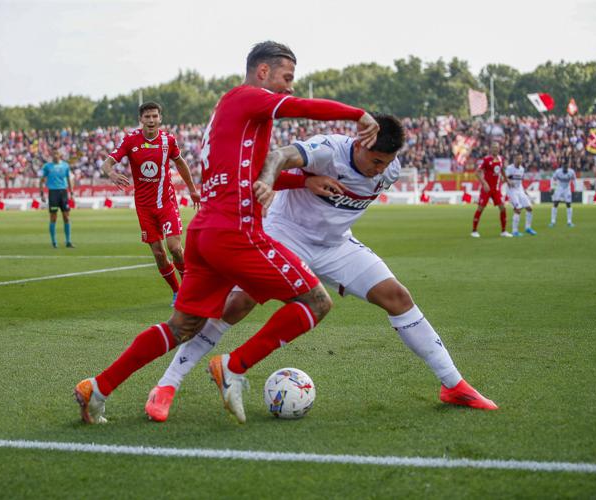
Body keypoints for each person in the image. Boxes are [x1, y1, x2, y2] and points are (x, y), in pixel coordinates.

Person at [74, 40, 380, 425]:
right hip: (236, 232)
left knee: (182, 325)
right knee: (316, 301)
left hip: (206, 233)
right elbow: (300, 108)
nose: (289, 87)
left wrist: (303, 182)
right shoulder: (247, 97)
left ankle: (96, 388)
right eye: (287, 77)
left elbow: (248, 175)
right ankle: (233, 366)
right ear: (263, 71)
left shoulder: (229, 113)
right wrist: (359, 115)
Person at [144, 123, 498, 422]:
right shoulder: (329, 149)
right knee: (238, 303)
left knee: (398, 297)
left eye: (385, 163)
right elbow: (278, 156)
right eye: (374, 160)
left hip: (335, 245)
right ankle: (167, 384)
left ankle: (453, 385)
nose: (379, 169)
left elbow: (363, 189)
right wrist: (295, 181)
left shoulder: (388, 169)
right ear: (359, 144)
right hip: (285, 233)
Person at [99, 101, 201, 304]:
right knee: (158, 253)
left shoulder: (168, 141)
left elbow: (180, 163)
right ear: (141, 119)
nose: (151, 120)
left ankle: (189, 288)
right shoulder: (130, 141)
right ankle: (177, 291)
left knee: (174, 247)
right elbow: (106, 163)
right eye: (147, 117)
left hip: (166, 203)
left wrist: (192, 189)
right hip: (144, 207)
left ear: (160, 118)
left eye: (155, 116)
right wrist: (111, 173)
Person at [471, 143, 511, 238]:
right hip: (487, 189)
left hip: (496, 189)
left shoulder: (500, 158)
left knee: (502, 208)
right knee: (481, 208)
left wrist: (506, 179)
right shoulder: (486, 160)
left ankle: (503, 231)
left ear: (499, 149)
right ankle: (474, 231)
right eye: (493, 148)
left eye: (497, 148)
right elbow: (477, 173)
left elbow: (502, 170)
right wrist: (484, 183)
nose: (495, 149)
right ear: (491, 149)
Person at [40, 150, 74, 248]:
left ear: (60, 155)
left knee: (66, 217)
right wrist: (42, 193)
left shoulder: (65, 166)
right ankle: (54, 242)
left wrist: (71, 192)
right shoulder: (47, 166)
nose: (55, 155)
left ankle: (68, 241)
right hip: (53, 193)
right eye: (53, 154)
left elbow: (68, 179)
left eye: (56, 154)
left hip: (63, 192)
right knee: (53, 217)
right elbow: (42, 180)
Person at [503, 154, 536, 237]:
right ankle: (515, 231)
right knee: (518, 209)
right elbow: (504, 178)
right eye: (518, 158)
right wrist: (509, 181)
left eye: (521, 159)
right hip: (512, 191)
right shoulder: (510, 168)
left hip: (520, 190)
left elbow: (520, 182)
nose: (519, 160)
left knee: (529, 208)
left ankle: (528, 228)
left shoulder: (522, 169)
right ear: (514, 159)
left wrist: (524, 191)